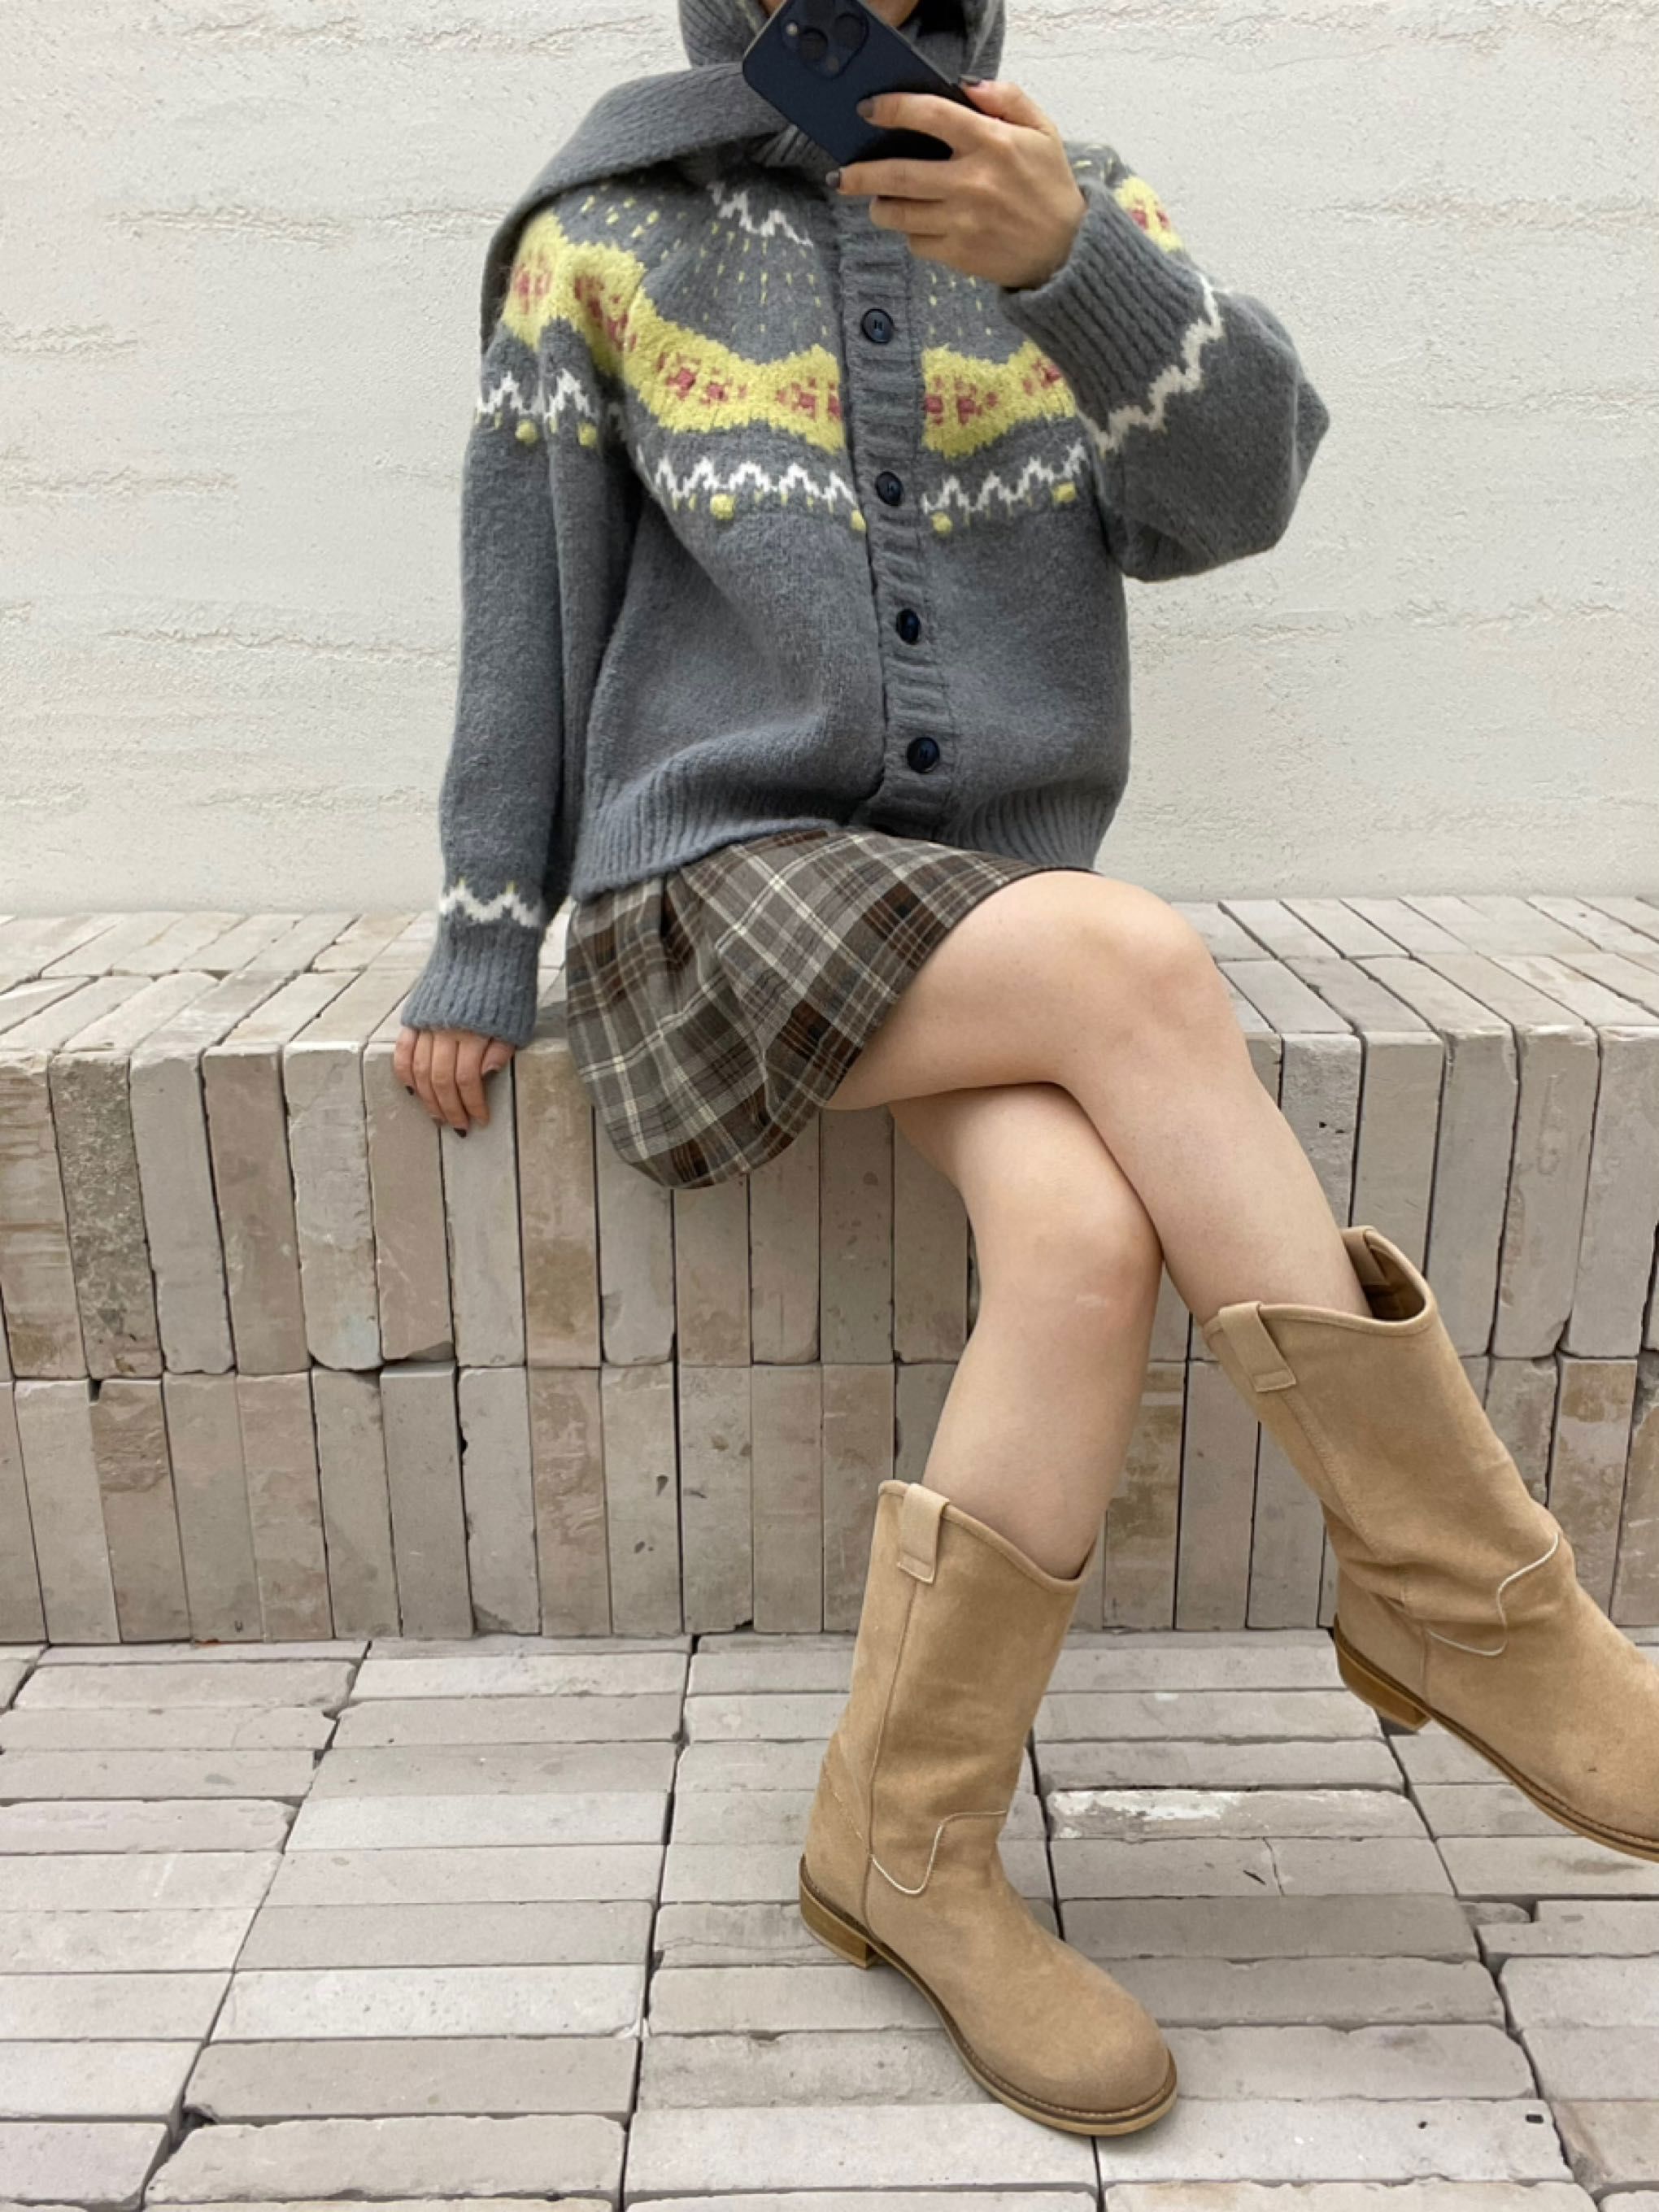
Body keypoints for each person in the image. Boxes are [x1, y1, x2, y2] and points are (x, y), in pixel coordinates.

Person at [394, 0, 1659, 2139]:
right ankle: (1471, 1599)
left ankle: (901, 1845)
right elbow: (527, 601)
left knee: (1081, 1238)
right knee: (1136, 954)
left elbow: (1234, 499)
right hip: (718, 892)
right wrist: (480, 934)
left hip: (984, 928)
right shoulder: (605, 232)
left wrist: (1077, 264)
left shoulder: (1063, 201)